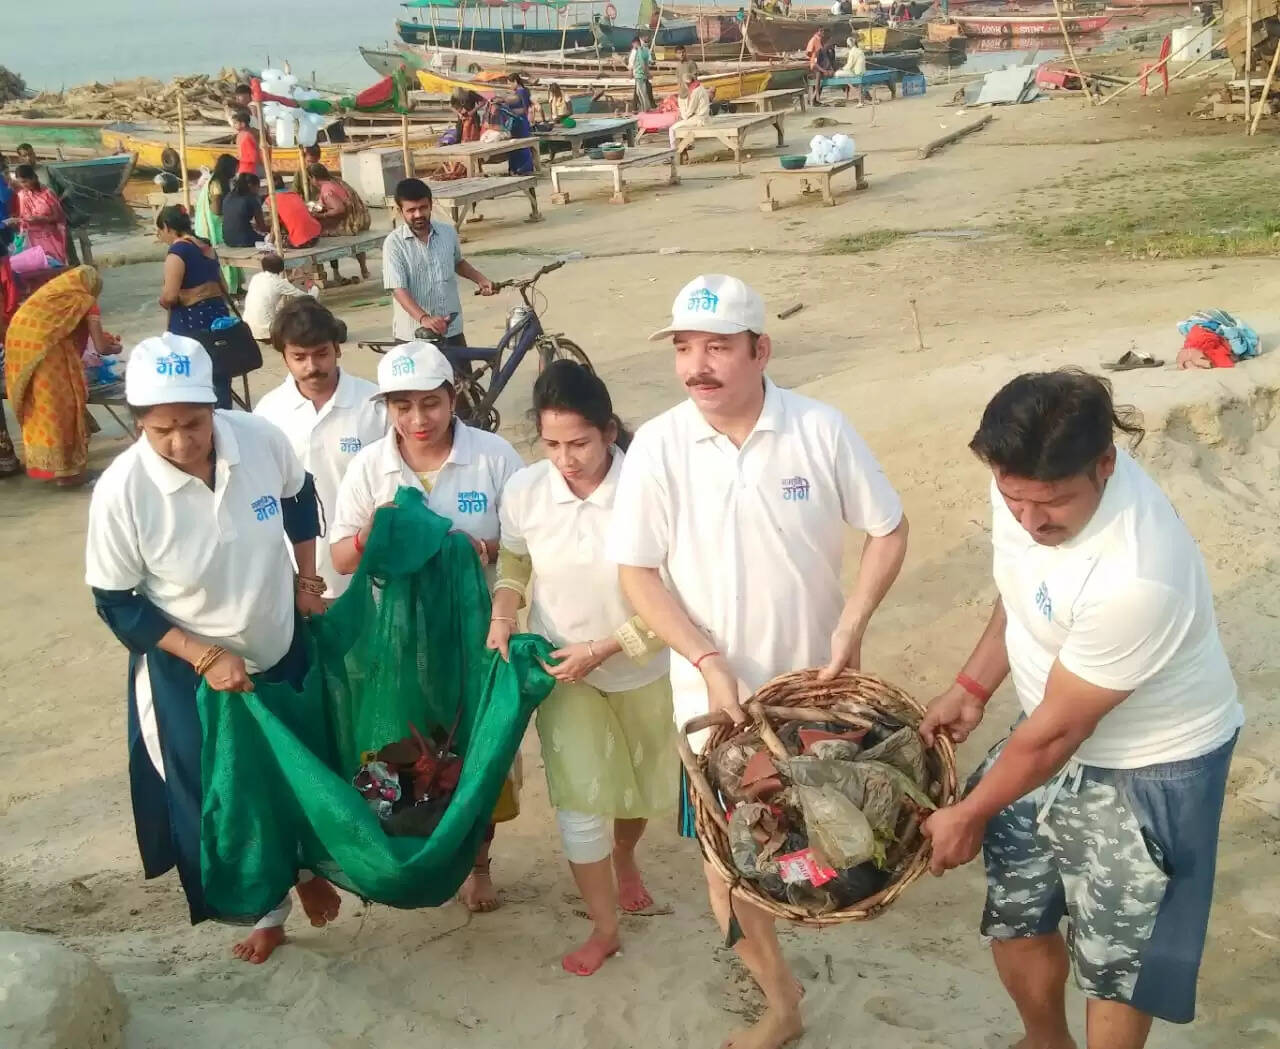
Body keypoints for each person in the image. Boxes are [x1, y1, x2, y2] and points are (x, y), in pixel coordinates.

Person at [608, 275, 909, 1049]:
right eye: (683, 348)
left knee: (831, 835)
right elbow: (636, 572)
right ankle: (781, 1000)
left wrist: (851, 621)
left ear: (760, 349)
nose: (696, 367)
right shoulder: (658, 448)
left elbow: (888, 528)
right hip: (716, 707)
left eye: (716, 347)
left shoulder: (819, 429)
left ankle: (799, 927)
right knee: (728, 865)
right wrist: (707, 658)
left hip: (818, 699)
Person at [919, 370, 1243, 1049]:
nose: (1032, 522)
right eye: (1015, 501)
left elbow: (1061, 730)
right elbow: (1025, 581)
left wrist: (971, 810)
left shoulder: (1139, 572)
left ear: (1105, 463)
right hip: (1048, 727)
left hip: (1152, 764)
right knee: (1016, 912)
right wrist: (974, 685)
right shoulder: (1025, 478)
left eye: (1054, 505)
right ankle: (1045, 1041)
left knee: (1116, 963)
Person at [85, 333, 340, 965]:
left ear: (215, 407)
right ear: (140, 422)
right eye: (162, 429)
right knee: (224, 793)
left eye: (193, 423)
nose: (181, 442)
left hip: (276, 641)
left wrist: (307, 581)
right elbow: (117, 601)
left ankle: (310, 870)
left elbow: (298, 497)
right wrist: (201, 654)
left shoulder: (258, 439)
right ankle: (267, 909)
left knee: (300, 767)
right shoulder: (122, 492)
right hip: (187, 668)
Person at [488, 360, 675, 976]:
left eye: (580, 444)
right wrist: (505, 611)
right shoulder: (525, 492)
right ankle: (604, 926)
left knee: (637, 791)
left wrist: (609, 645)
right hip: (561, 666)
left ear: (610, 431)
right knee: (579, 798)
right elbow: (514, 560)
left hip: (641, 665)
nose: (565, 459)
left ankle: (626, 857)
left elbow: (680, 596)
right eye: (551, 444)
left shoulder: (650, 492)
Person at [330, 340, 525, 912]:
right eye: (402, 406)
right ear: (386, 408)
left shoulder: (493, 457)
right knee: (408, 754)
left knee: (477, 750)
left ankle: (478, 864)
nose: (417, 420)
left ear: (453, 396)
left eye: (430, 404)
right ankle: (424, 854)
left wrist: (481, 547)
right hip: (396, 647)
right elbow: (341, 557)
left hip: (477, 636)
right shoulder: (372, 467)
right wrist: (373, 535)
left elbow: (523, 543)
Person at [254, 297, 385, 599]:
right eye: (299, 357)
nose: (312, 367)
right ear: (284, 357)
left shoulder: (375, 406)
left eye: (321, 354)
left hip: (370, 574)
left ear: (337, 349)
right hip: (298, 578)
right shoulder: (268, 414)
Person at [2, 266, 110, 486]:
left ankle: (47, 466)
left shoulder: (53, 293)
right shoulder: (85, 299)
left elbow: (65, 327)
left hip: (20, 347)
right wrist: (114, 347)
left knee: (39, 407)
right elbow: (101, 346)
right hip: (47, 351)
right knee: (61, 406)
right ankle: (67, 473)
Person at [382, 178, 495, 349]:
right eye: (411, 210)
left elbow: (457, 262)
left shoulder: (448, 232)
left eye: (423, 207)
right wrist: (424, 318)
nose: (418, 214)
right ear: (400, 211)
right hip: (414, 336)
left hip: (451, 330)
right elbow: (397, 289)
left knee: (463, 376)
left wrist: (480, 279)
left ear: (431, 205)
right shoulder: (394, 243)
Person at [155, 205, 235, 408]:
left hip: (191, 322)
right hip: (217, 317)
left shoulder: (178, 251)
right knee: (219, 373)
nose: (160, 235)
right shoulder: (207, 248)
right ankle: (225, 415)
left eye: (160, 230)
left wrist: (163, 300)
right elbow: (222, 286)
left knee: (193, 376)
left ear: (167, 227)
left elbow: (170, 296)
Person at [306, 163, 371, 284]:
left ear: (314, 178)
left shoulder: (326, 190)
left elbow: (339, 210)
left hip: (348, 224)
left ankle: (335, 272)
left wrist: (321, 215)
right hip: (358, 219)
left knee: (319, 233)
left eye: (310, 179)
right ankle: (363, 268)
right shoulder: (336, 181)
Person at [194, 154, 243, 295]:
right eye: (234, 168)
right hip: (214, 226)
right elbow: (216, 209)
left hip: (220, 223)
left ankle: (236, 287)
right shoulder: (216, 184)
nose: (235, 172)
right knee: (224, 257)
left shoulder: (222, 181)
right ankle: (230, 290)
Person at [8, 164, 68, 264]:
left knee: (56, 266)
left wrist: (42, 219)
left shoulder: (48, 193)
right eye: (20, 183)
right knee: (40, 268)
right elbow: (23, 217)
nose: (23, 185)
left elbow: (58, 216)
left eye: (25, 181)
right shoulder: (22, 195)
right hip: (33, 239)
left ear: (33, 178)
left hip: (52, 237)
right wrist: (17, 221)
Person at [243, 254, 311, 341]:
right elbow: (305, 296)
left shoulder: (256, 277)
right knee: (297, 314)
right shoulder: (279, 283)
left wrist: (291, 279)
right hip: (267, 331)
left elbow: (275, 286)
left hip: (248, 328)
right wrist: (312, 287)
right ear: (281, 267)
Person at [221, 173, 268, 248]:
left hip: (227, 239)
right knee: (269, 239)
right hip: (245, 240)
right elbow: (261, 227)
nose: (258, 189)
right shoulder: (252, 199)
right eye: (258, 186)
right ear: (251, 186)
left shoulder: (228, 196)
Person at [668, 77, 712, 158]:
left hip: (699, 119)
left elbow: (690, 110)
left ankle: (672, 153)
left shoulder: (695, 92)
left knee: (672, 129)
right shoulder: (700, 87)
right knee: (683, 124)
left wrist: (683, 114)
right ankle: (688, 146)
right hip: (704, 117)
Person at [232, 109, 264, 178]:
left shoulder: (247, 136)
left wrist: (240, 159)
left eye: (235, 123)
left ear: (243, 124)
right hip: (244, 167)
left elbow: (253, 157)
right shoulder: (240, 135)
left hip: (251, 169)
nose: (233, 125)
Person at [807, 28, 834, 105]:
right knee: (819, 76)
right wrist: (822, 69)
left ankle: (815, 99)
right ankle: (815, 99)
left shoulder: (819, 41)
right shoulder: (814, 41)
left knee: (825, 75)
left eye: (823, 31)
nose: (823, 32)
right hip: (815, 65)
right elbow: (809, 53)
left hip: (820, 64)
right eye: (821, 31)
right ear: (817, 32)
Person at [840, 36, 870, 103]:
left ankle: (860, 98)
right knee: (861, 85)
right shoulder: (860, 50)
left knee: (840, 75)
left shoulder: (852, 52)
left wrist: (842, 69)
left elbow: (850, 65)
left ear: (848, 44)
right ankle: (866, 96)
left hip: (857, 73)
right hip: (862, 71)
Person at [629, 35, 655, 113]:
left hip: (641, 74)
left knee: (643, 91)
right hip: (640, 74)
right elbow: (641, 64)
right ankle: (643, 109)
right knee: (641, 93)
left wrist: (647, 73)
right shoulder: (638, 51)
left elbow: (645, 62)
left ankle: (646, 107)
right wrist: (647, 74)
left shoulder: (643, 50)